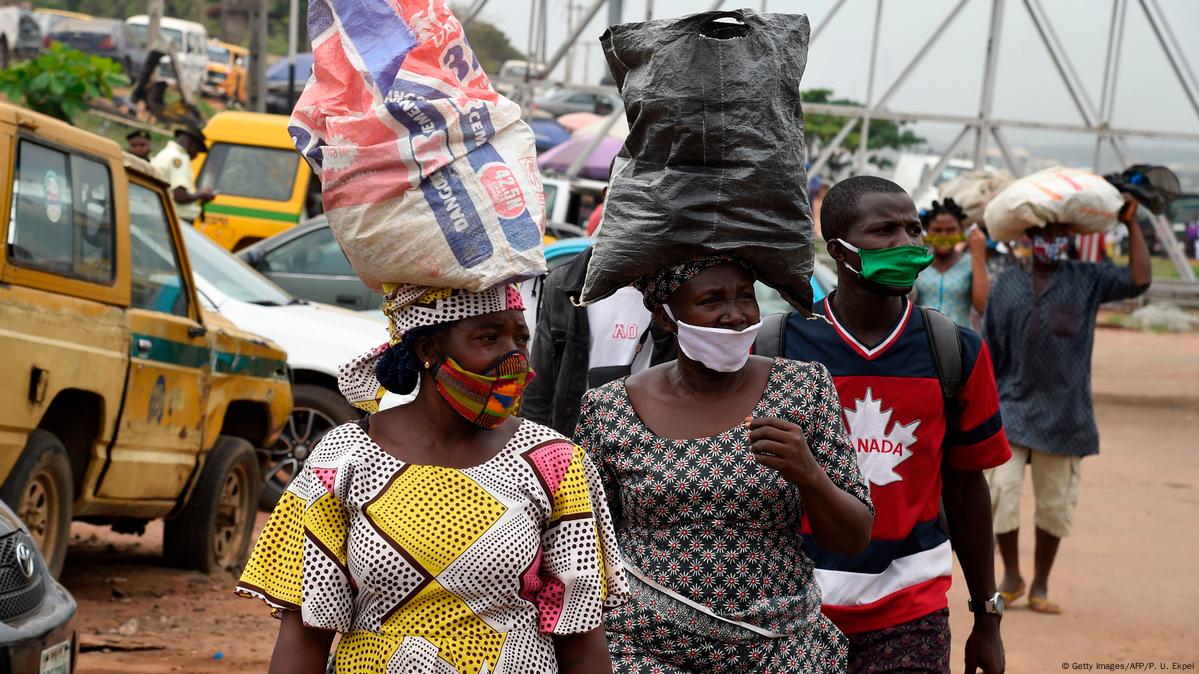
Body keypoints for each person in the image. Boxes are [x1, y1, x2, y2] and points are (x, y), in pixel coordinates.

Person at [236, 283, 630, 674]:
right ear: (428, 350)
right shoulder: (344, 457)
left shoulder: (554, 461)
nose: (513, 357)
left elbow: (579, 637)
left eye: (520, 338)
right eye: (488, 338)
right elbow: (306, 632)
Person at [574, 256, 875, 673]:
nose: (735, 316)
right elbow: (583, 547)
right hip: (641, 648)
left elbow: (854, 537)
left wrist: (810, 476)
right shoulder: (608, 409)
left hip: (779, 648)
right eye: (713, 300)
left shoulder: (803, 389)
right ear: (666, 316)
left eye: (745, 297)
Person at [775, 176, 1011, 674]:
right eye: (884, 231)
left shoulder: (955, 350)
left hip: (911, 608)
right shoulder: (781, 348)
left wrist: (987, 618)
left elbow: (968, 488)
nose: (906, 244)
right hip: (792, 607)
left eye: (913, 229)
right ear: (839, 250)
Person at [982, 198, 1151, 616]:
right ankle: (1013, 577)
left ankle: (1040, 584)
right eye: (1042, 234)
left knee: (1054, 504)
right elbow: (989, 346)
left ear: (1071, 240)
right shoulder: (1007, 283)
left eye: (1058, 235)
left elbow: (1139, 279)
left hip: (1065, 412)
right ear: (1028, 238)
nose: (1050, 242)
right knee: (1000, 491)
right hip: (1011, 404)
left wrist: (1131, 225)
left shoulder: (1087, 279)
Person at [524, 247, 677, 436]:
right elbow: (540, 388)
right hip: (575, 443)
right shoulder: (565, 283)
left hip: (644, 444)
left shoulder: (673, 288)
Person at [913, 198, 990, 327]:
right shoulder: (918, 262)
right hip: (921, 337)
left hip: (960, 339)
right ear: (927, 233)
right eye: (937, 230)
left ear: (961, 232)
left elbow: (982, 307)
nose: (943, 236)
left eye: (950, 230)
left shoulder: (971, 262)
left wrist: (978, 256)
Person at [151, 127, 215, 226]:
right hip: (177, 219)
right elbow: (180, 197)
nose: (196, 155)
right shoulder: (180, 158)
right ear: (192, 144)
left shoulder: (165, 153)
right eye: (198, 151)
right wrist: (201, 194)